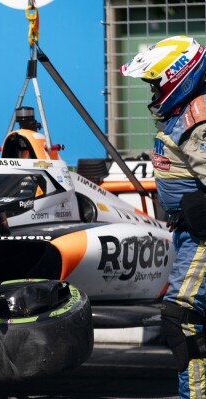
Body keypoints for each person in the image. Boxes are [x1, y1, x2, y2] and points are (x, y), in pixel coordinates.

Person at [121, 35, 206, 399]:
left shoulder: (196, 120)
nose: (153, 92)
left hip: (201, 239)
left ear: (178, 77)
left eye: (156, 83)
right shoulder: (181, 116)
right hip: (188, 236)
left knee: (181, 320)